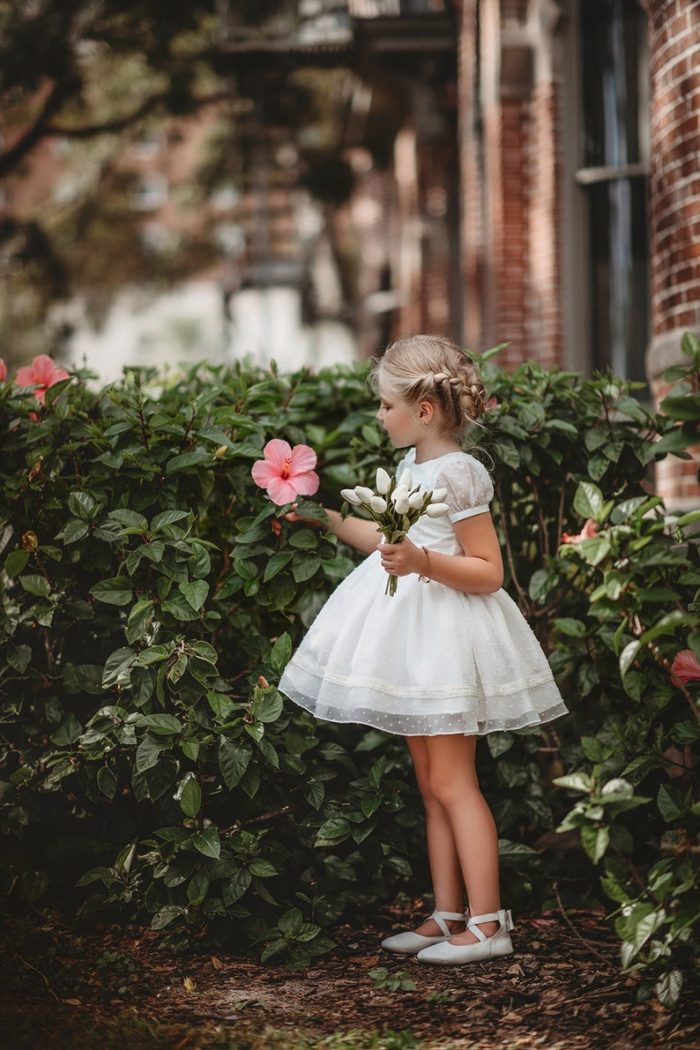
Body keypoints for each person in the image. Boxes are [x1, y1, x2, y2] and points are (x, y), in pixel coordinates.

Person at [278, 333, 570, 965]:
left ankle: (490, 925)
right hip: (411, 639)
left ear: (424, 410)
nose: (379, 416)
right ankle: (447, 914)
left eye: (386, 406)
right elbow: (383, 538)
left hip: (446, 639)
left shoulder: (460, 473)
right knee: (430, 781)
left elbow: (489, 571)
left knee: (455, 781)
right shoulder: (412, 469)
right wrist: (322, 517)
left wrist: (421, 560)